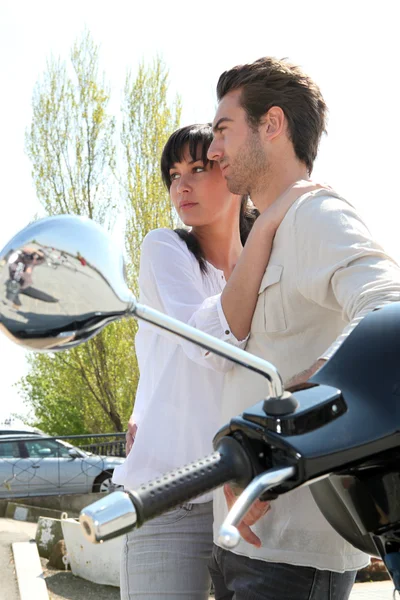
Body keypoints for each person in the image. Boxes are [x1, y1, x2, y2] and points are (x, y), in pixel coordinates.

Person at [205, 56, 400, 600]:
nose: (213, 149)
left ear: (272, 125)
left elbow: (388, 307)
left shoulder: (318, 215)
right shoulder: (264, 236)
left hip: (295, 557)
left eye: (224, 130)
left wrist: (291, 412)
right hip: (242, 545)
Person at [112, 123, 323, 600]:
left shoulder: (268, 264)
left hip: (242, 495)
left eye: (198, 169)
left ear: (228, 171)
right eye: (173, 174)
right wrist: (268, 222)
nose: (181, 185)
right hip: (168, 498)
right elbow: (207, 343)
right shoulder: (165, 248)